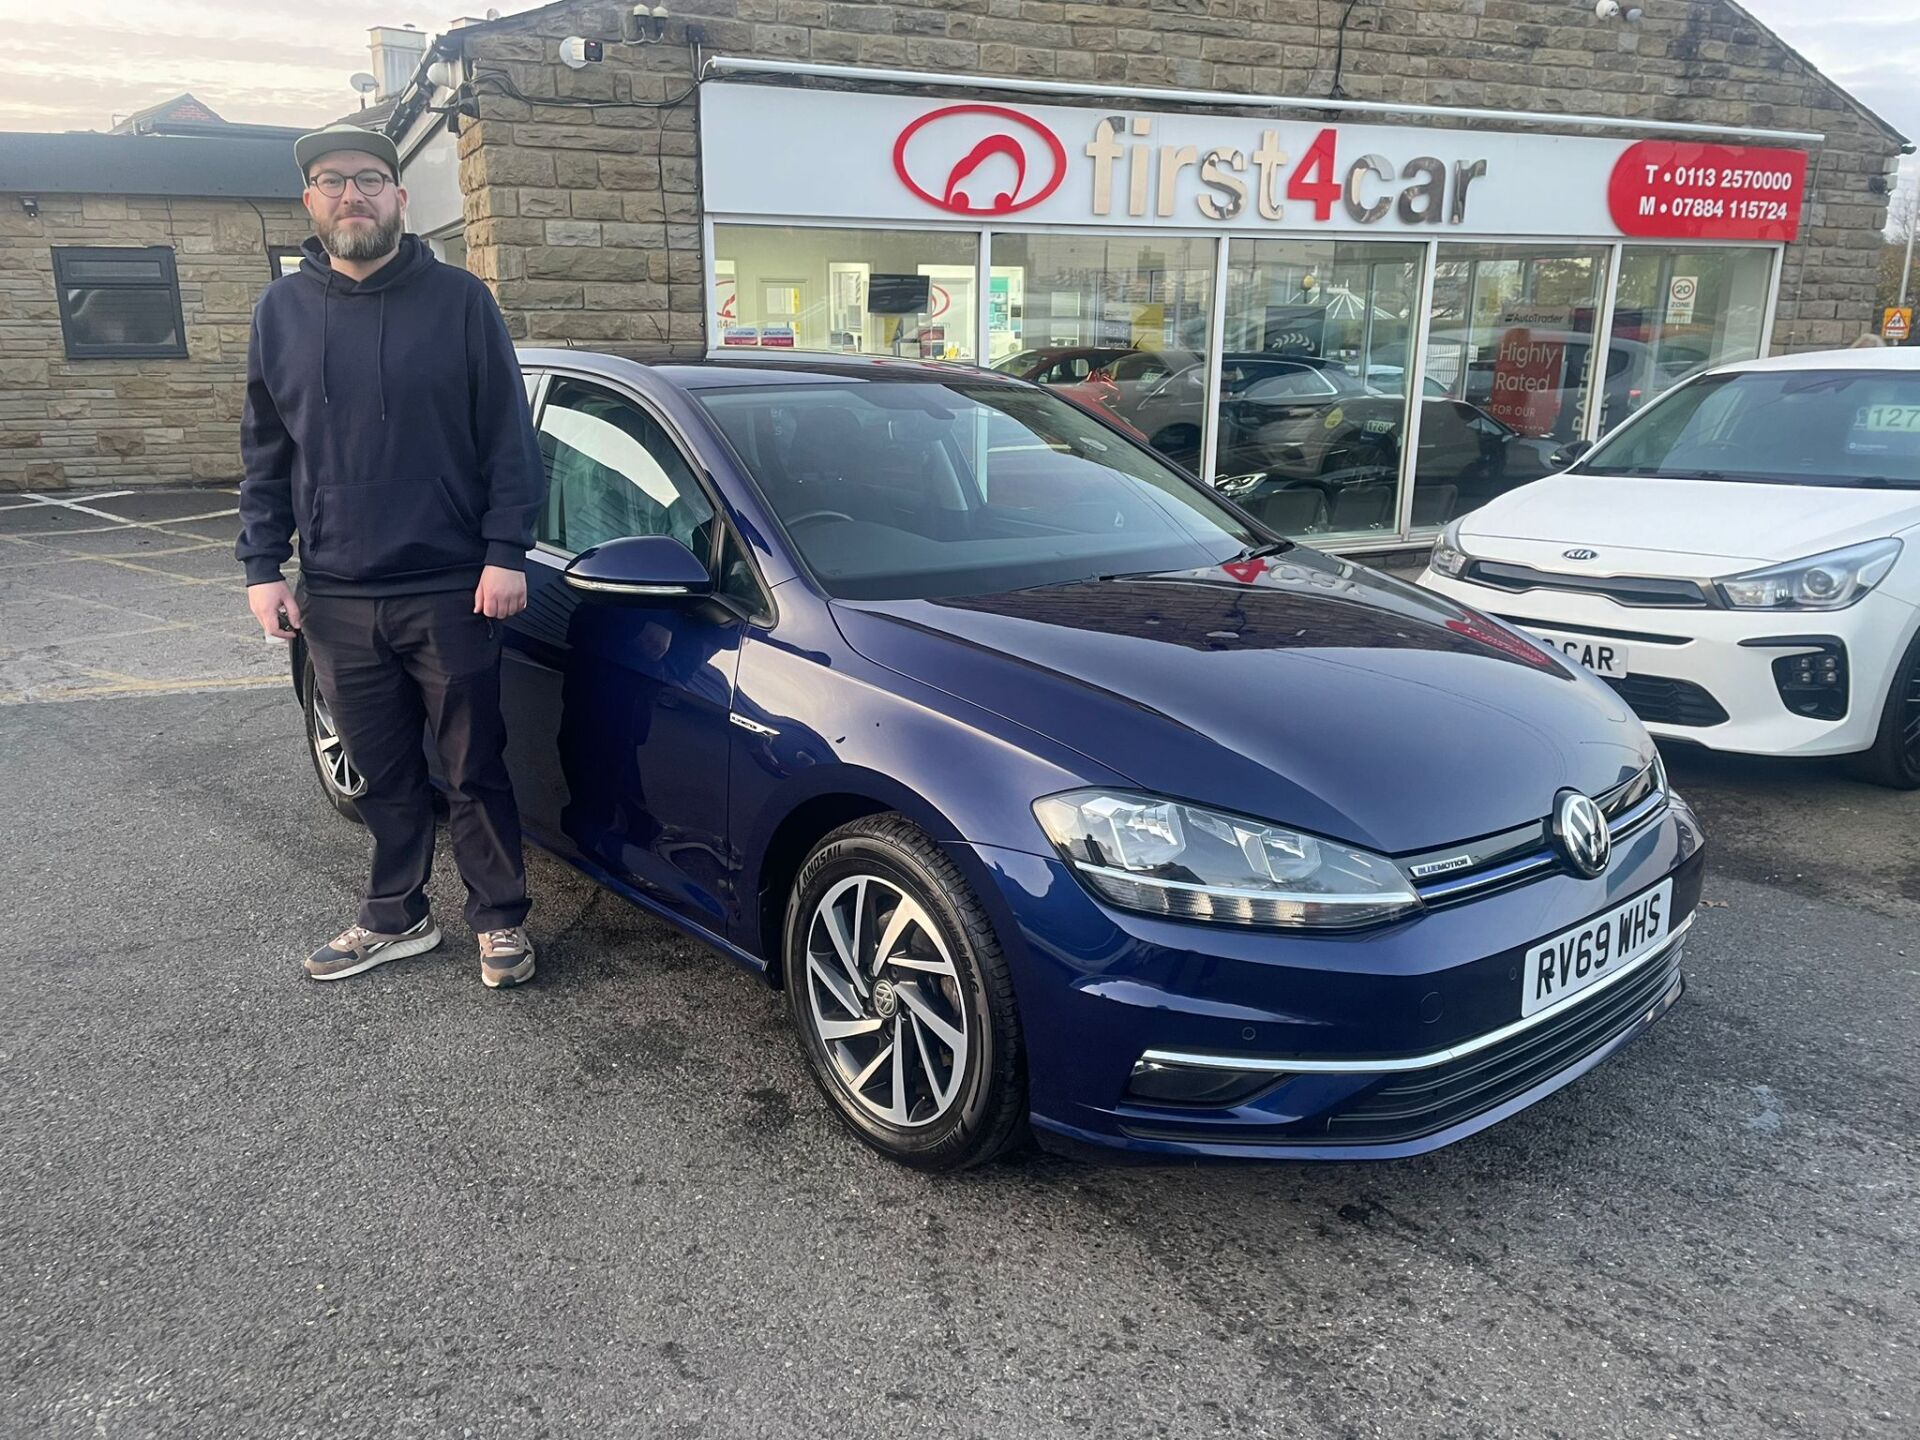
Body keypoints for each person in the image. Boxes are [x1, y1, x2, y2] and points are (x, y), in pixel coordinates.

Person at [236, 124, 546, 989]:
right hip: (334, 592)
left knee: (472, 765)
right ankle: (396, 914)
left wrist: (504, 550)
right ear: (311, 201)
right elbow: (266, 451)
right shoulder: (280, 313)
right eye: (333, 181)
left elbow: (507, 440)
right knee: (379, 769)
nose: (353, 195)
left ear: (400, 199)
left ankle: (499, 921)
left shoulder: (460, 301)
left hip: (452, 585)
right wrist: (263, 565)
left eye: (371, 179)